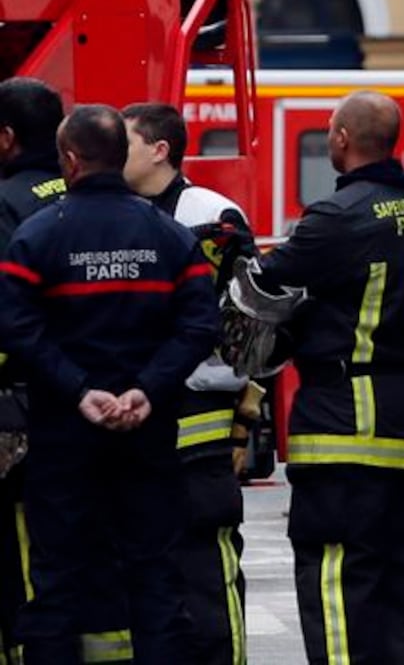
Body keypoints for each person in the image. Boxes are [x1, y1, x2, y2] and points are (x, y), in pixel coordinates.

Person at [0, 104, 220, 664]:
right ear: (121, 158)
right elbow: (200, 324)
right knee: (155, 579)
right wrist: (147, 388)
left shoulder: (37, 237)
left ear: (69, 160)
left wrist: (78, 389)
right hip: (147, 437)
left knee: (56, 583)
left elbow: (16, 325)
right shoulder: (169, 236)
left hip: (62, 437)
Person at [228, 91, 404, 663]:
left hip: (347, 419)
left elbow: (262, 287)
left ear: (343, 138)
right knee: (403, 580)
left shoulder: (338, 217)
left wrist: (233, 256)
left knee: (335, 576)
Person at [0, 80, 133, 665]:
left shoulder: (5, 204)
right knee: (102, 558)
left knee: (31, 568)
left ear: (6, 138)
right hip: (112, 410)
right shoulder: (114, 205)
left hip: (25, 415)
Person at [122, 102, 256, 665]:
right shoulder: (119, 212)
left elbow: (248, 320)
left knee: (206, 568)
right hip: (138, 417)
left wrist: (247, 412)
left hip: (202, 409)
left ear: (160, 150)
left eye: (125, 142)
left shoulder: (210, 214)